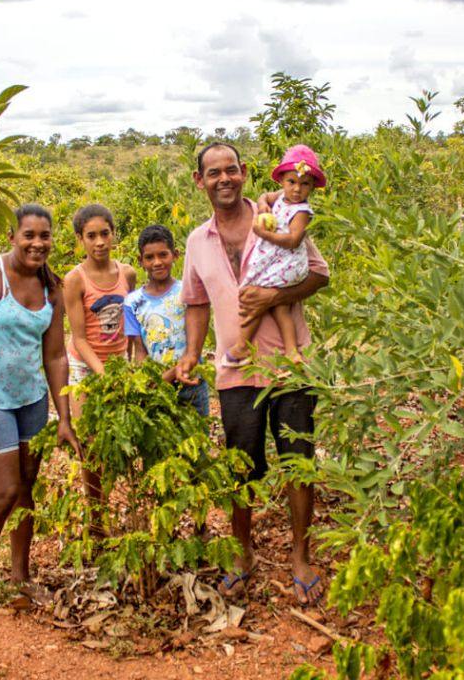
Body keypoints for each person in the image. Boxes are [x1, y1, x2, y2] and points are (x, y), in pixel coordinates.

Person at [174, 142, 330, 605]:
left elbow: (319, 274)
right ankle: (243, 555)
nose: (224, 179)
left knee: (298, 460)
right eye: (213, 173)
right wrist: (191, 354)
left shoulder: (279, 213)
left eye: (231, 170)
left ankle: (301, 555)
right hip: (235, 369)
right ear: (199, 182)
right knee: (241, 465)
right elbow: (197, 302)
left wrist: (273, 298)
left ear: (244, 173)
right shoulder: (197, 242)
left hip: (288, 362)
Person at [0, 203, 79, 629]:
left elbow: (56, 354)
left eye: (45, 236)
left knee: (26, 490)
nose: (37, 244)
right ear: (12, 236)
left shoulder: (51, 287)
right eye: (29, 235)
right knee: (3, 492)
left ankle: (21, 576)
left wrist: (63, 416)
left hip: (31, 401)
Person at [63, 204, 137, 536]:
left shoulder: (128, 274)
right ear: (80, 239)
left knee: (117, 440)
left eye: (104, 234)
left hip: (118, 364)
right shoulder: (74, 280)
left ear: (113, 235)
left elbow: (132, 325)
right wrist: (102, 374)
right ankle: (95, 520)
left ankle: (111, 504)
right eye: (91, 236)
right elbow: (79, 338)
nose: (99, 242)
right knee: (90, 444)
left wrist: (131, 366)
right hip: (85, 367)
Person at [221, 144, 321, 368]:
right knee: (280, 307)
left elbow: (293, 240)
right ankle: (292, 351)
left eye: (304, 184)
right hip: (277, 261)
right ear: (282, 181)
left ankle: (241, 345)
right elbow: (264, 196)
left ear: (312, 187)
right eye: (291, 182)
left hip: (288, 263)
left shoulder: (301, 211)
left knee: (253, 294)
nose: (297, 189)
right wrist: (263, 206)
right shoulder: (282, 197)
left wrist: (264, 234)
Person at [122, 224, 210, 417]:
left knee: (196, 440)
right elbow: (140, 349)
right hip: (157, 387)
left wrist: (168, 376)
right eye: (149, 257)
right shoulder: (132, 303)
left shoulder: (188, 292)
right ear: (140, 261)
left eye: (163, 255)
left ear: (175, 255)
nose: (157, 262)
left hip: (191, 381)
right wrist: (145, 380)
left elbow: (195, 342)